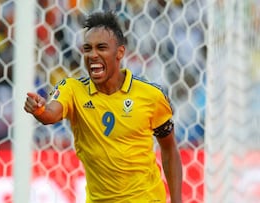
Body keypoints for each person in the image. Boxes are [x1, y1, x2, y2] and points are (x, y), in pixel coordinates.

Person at [24, 11, 182, 203]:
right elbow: (50, 114)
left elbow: (169, 148)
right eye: (87, 48)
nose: (93, 55)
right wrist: (40, 109)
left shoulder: (151, 96)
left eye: (101, 48)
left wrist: (177, 200)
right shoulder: (73, 89)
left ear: (120, 52)